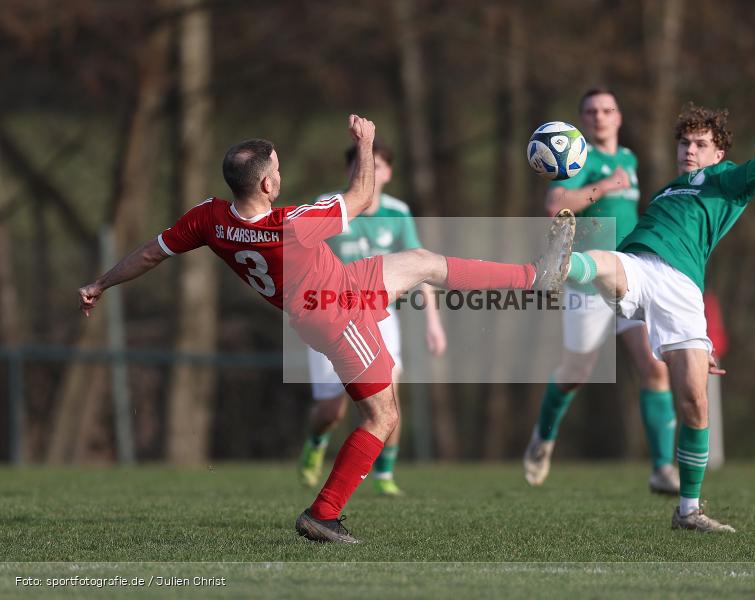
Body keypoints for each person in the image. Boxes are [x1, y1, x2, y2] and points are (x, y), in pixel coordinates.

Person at [78, 115, 576, 544]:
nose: (281, 173)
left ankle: (535, 278)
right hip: (338, 310)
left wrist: (102, 282)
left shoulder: (208, 218)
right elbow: (361, 197)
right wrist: (365, 140)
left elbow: (149, 253)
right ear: (268, 185)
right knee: (383, 417)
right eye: (277, 168)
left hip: (336, 287)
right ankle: (323, 514)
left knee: (422, 262)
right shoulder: (292, 223)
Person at [562, 66, 755, 532]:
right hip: (640, 265)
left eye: (701, 143)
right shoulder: (665, 190)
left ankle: (688, 511)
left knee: (694, 404)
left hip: (682, 290)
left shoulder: (727, 180)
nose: (690, 149)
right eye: (685, 143)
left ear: (718, 152)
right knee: (602, 262)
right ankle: (560, 264)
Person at [523, 87, 679, 495]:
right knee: (576, 373)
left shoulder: (628, 158)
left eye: (607, 109)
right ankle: (543, 438)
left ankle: (663, 469)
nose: (600, 116)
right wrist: (603, 187)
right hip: (587, 281)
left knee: (654, 367)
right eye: (591, 111)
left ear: (619, 116)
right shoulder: (579, 157)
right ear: (581, 120)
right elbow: (555, 204)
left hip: (630, 275)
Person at [298, 139, 446, 496]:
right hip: (330, 316)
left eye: (377, 166)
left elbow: (420, 265)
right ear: (350, 171)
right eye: (362, 166)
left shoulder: (397, 213)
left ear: (388, 173)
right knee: (331, 410)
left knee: (390, 393)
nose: (369, 172)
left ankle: (385, 474)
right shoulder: (328, 208)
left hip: (379, 317)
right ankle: (317, 441)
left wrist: (433, 323)